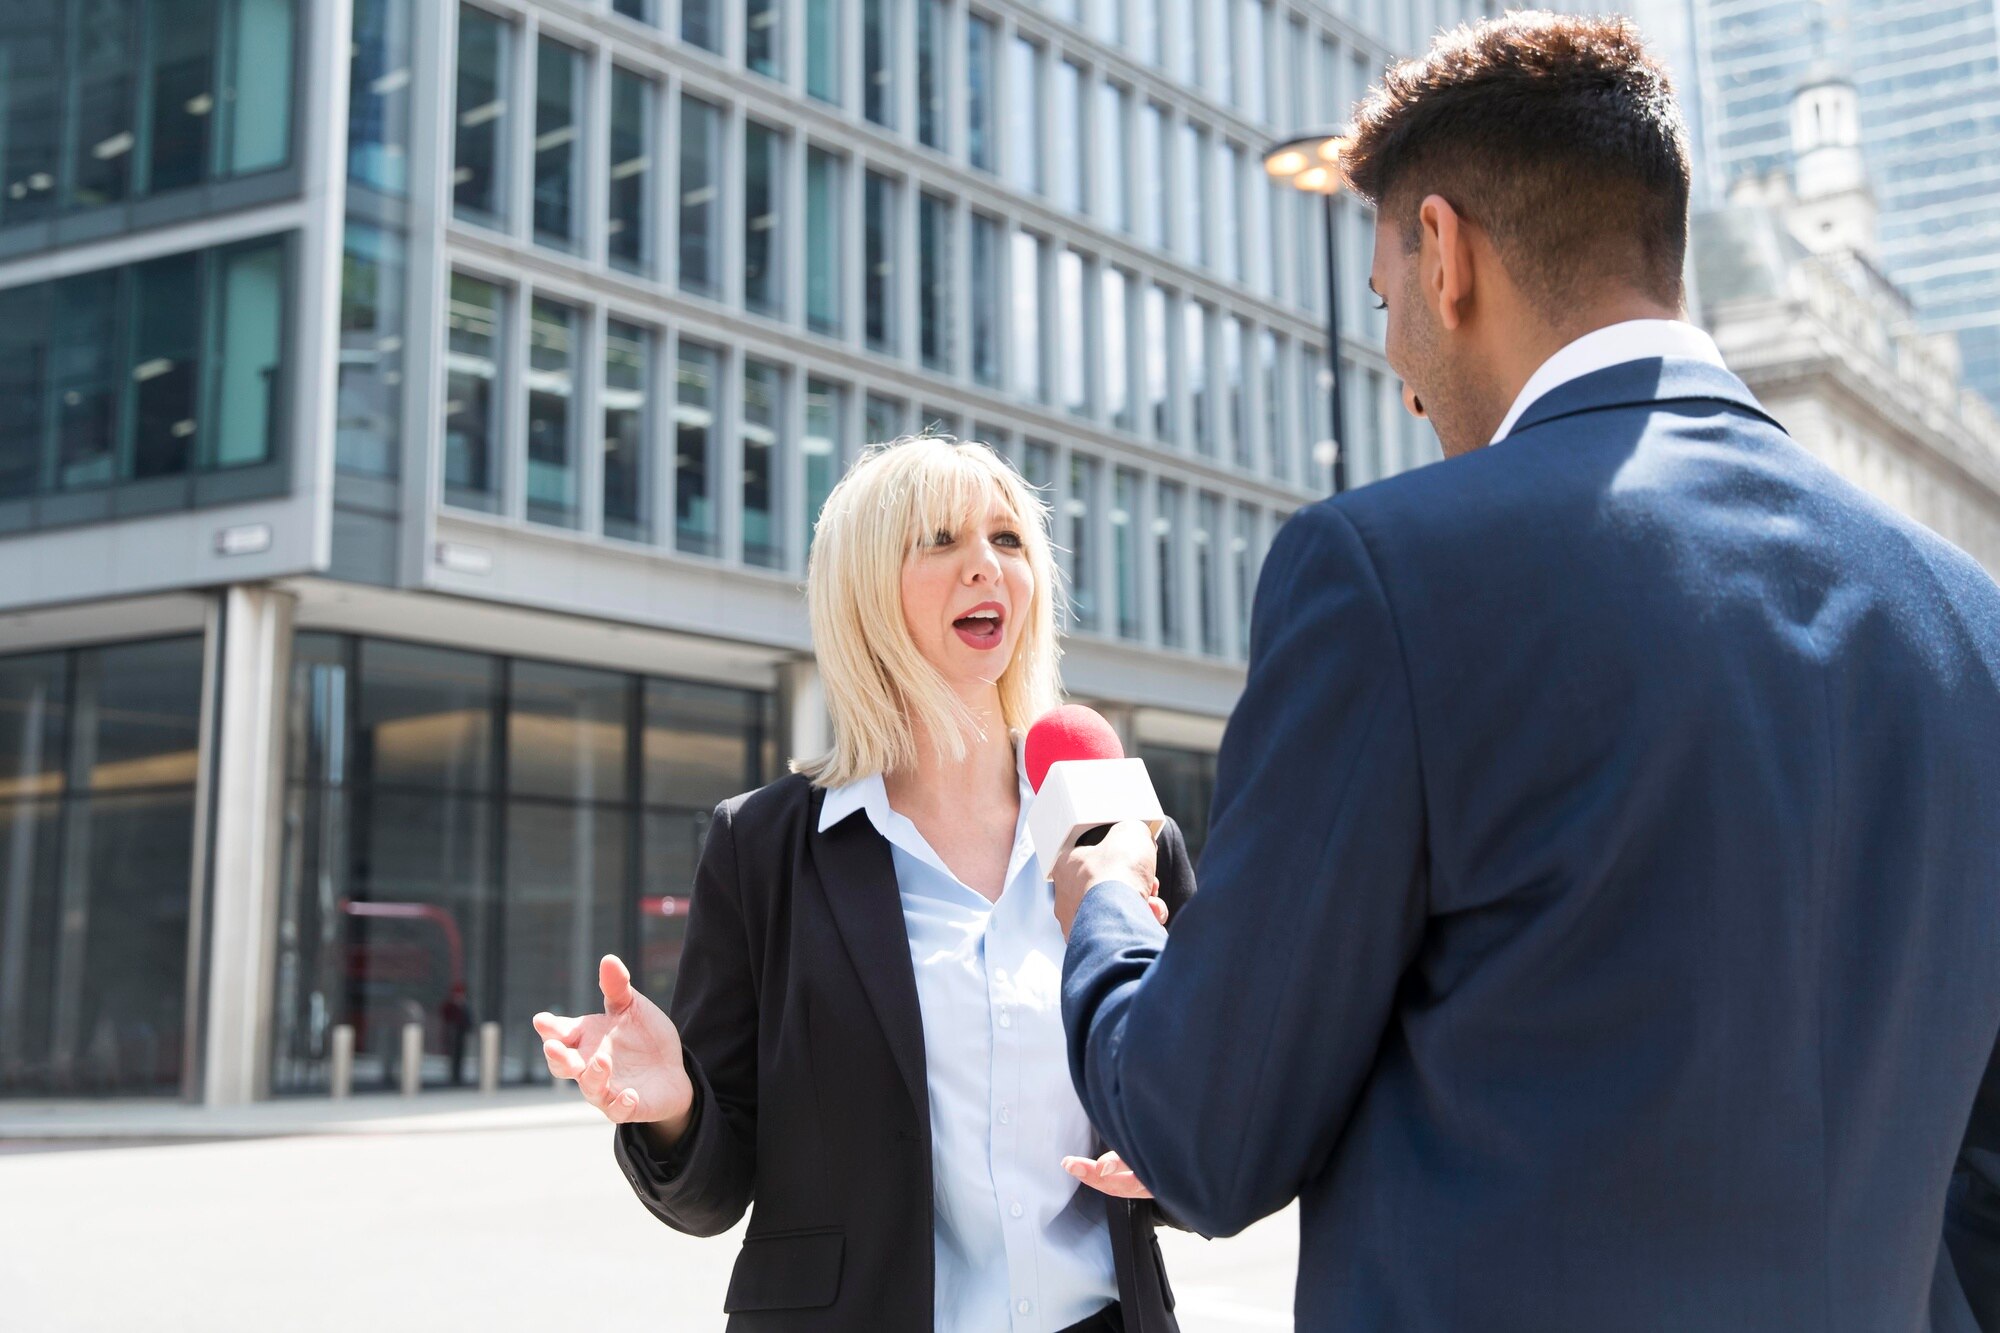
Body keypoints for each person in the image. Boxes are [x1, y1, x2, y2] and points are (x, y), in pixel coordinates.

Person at [1050, 12, 2000, 1329]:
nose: (1399, 377)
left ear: (1445, 254)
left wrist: (1105, 912)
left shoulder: (1387, 573)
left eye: (1383, 303)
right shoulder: (1970, 623)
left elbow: (1209, 1137)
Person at [533, 436, 1192, 1332]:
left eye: (1007, 540)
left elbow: (1210, 1109)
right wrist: (676, 1107)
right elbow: (714, 1194)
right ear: (866, 591)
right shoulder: (763, 847)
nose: (985, 567)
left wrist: (1178, 1154)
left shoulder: (1121, 829)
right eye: (940, 540)